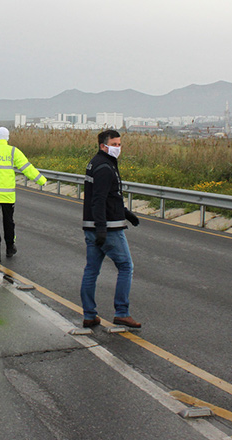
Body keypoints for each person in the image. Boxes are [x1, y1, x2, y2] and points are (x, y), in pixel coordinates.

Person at [79, 129, 141, 329]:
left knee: (91, 270)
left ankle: (89, 315)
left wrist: (126, 213)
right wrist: (102, 229)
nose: (118, 148)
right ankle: (122, 312)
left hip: (93, 225)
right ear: (102, 146)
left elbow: (108, 198)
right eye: (114, 144)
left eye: (119, 144)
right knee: (126, 267)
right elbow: (99, 200)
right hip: (108, 227)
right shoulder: (105, 167)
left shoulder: (95, 163)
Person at [0, 127, 46, 262]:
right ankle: (10, 248)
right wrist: (41, 180)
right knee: (9, 222)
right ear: (7, 137)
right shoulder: (13, 151)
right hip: (8, 196)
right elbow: (27, 167)